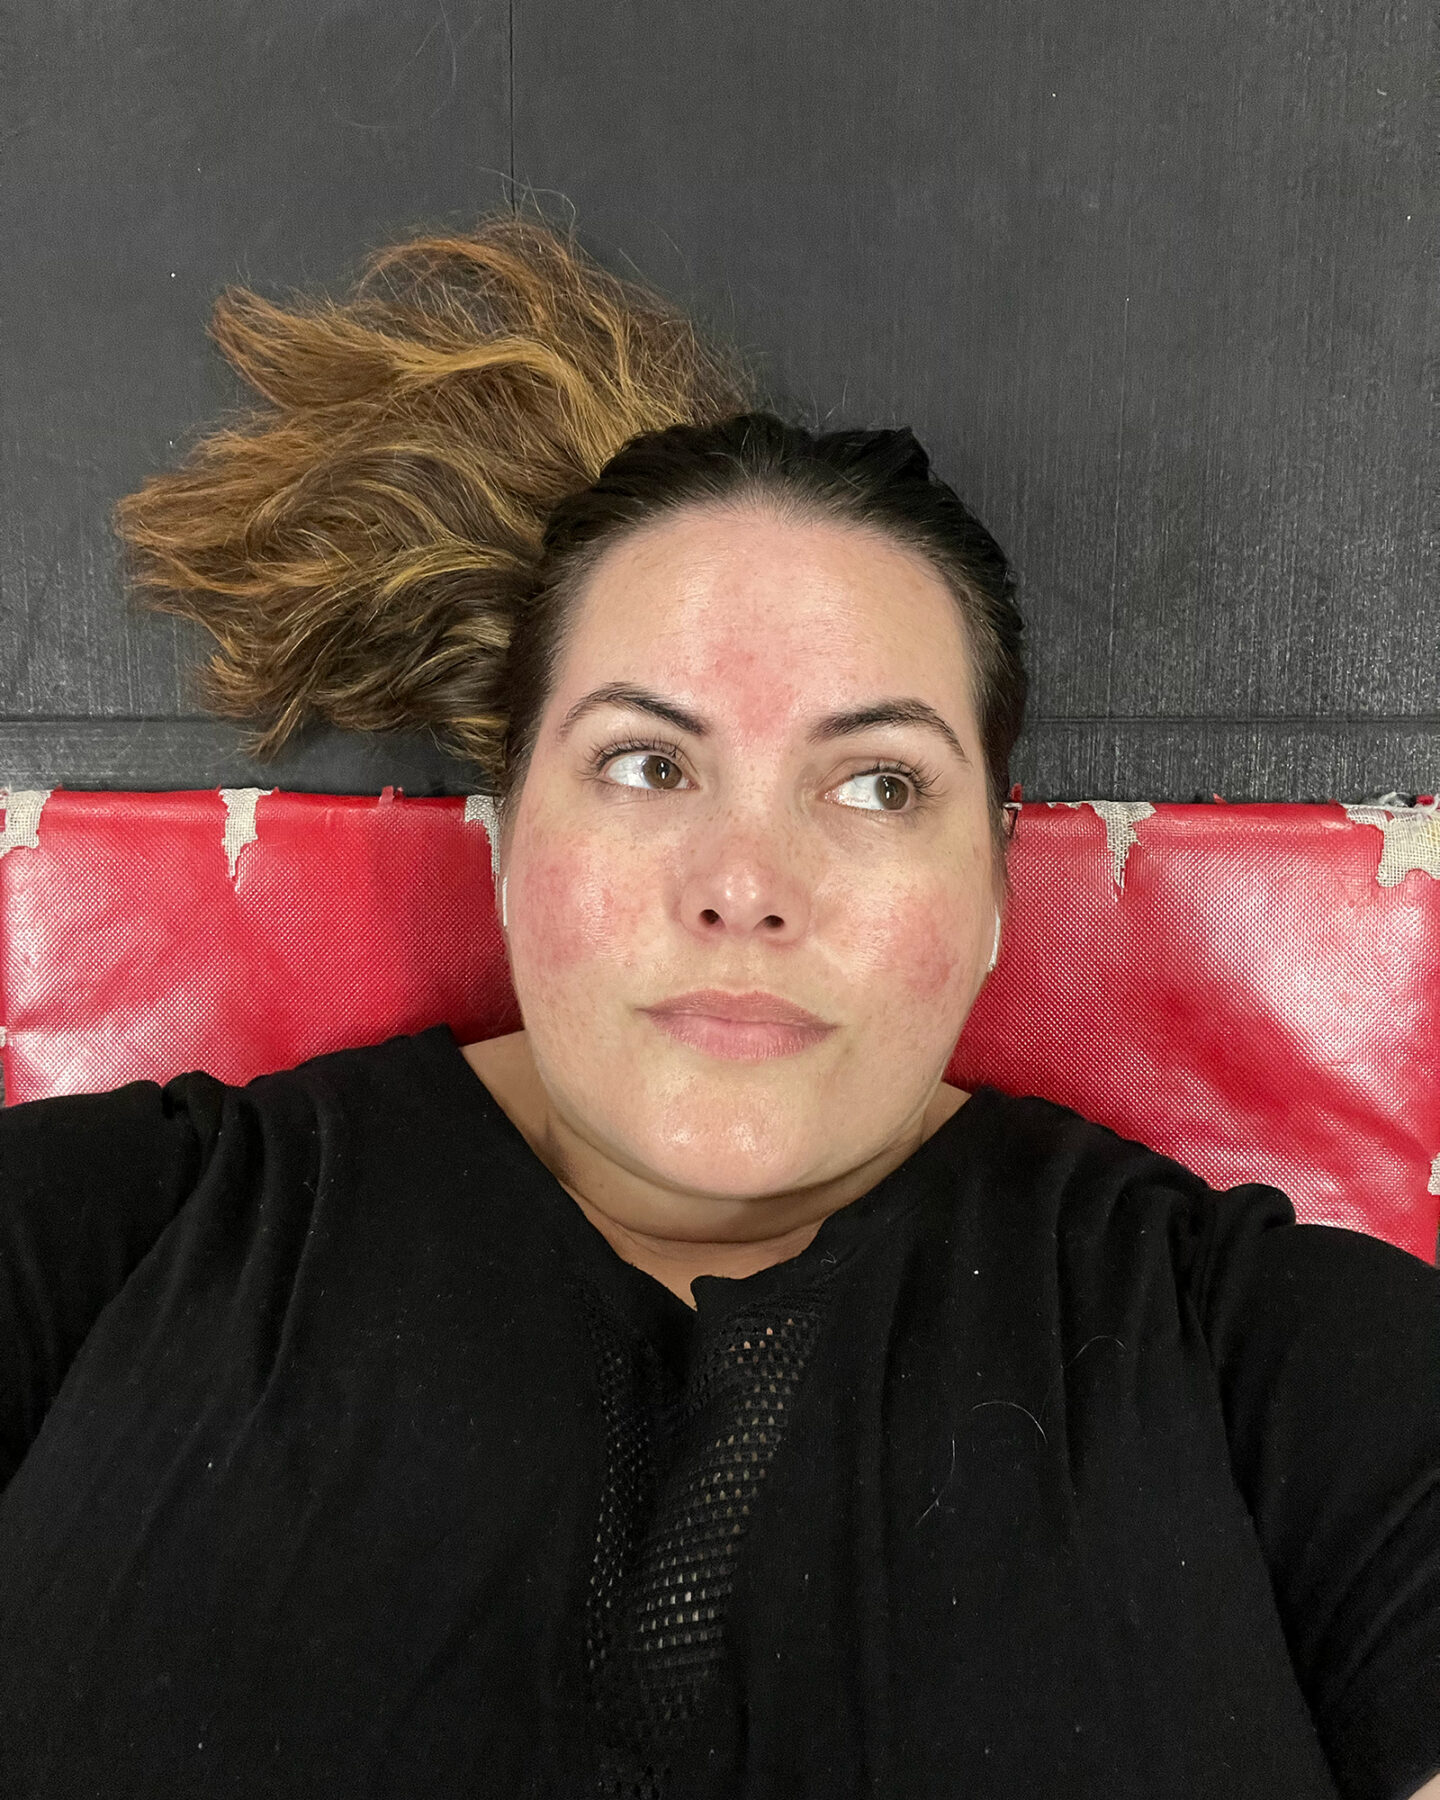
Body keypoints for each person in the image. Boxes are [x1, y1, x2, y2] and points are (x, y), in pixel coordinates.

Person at [0, 212, 1436, 1800]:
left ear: (995, 896)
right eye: (645, 762)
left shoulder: (1280, 1359)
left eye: (879, 783)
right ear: (505, 831)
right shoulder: (108, 1236)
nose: (745, 882)